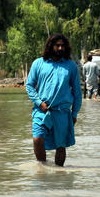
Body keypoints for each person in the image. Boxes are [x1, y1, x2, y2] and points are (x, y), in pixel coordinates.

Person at [25, 34, 82, 166]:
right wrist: (39, 103)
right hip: (41, 111)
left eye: (63, 45)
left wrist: (74, 114)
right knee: (37, 139)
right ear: (51, 46)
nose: (60, 48)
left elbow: (77, 92)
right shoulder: (38, 63)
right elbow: (29, 86)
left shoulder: (71, 66)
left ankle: (59, 174)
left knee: (61, 145)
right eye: (57, 45)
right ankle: (42, 167)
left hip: (62, 112)